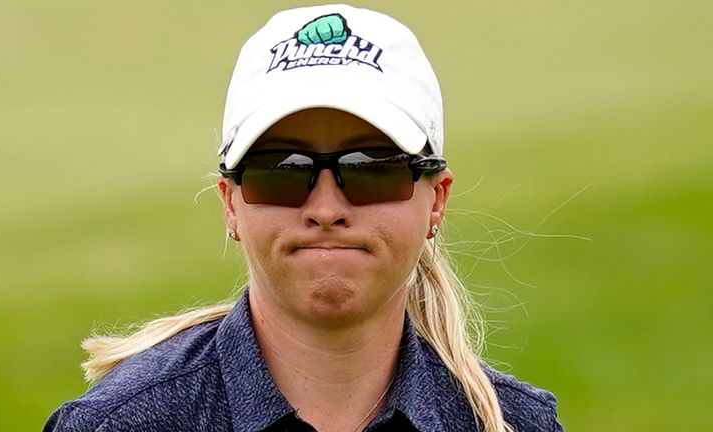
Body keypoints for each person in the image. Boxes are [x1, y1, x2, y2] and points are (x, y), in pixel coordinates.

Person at [44, 4, 563, 432]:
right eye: (282, 170)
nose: (326, 210)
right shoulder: (118, 424)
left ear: (437, 199)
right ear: (231, 201)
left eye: (371, 168)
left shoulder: (514, 422)